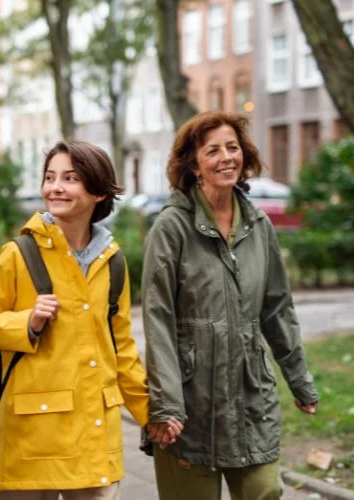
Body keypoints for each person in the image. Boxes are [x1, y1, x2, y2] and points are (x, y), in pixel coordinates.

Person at [0, 140, 180, 500]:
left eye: (70, 178)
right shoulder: (19, 255)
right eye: (50, 177)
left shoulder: (113, 262)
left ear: (97, 191)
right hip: (36, 437)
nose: (55, 187)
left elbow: (121, 348)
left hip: (97, 436)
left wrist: (149, 412)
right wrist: (26, 322)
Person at [141, 111, 319, 500]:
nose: (226, 157)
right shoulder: (171, 227)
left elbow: (277, 309)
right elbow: (157, 319)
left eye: (233, 147)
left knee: (265, 490)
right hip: (190, 399)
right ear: (193, 164)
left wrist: (300, 380)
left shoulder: (258, 224)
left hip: (250, 393)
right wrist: (166, 404)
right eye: (213, 150)